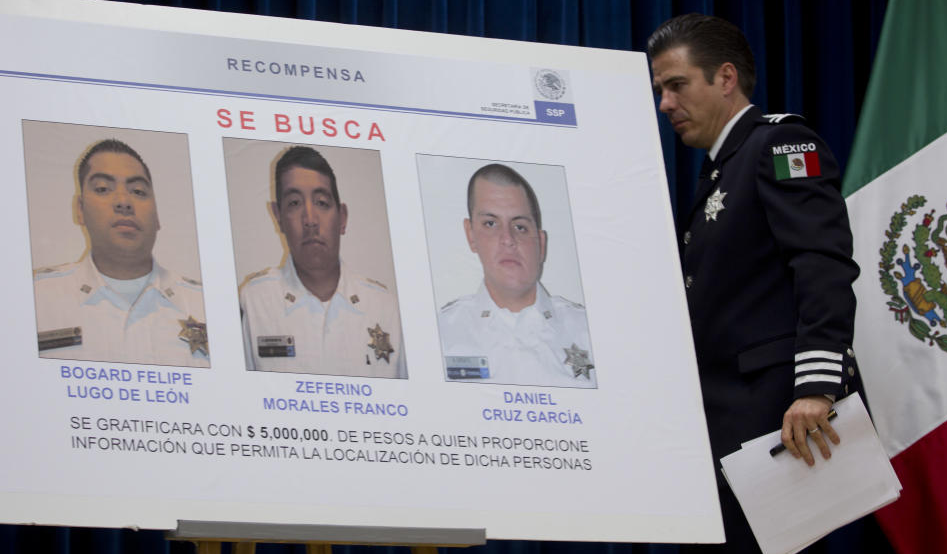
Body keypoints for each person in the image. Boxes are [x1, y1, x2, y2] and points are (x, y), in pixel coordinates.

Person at [647, 13, 863, 554]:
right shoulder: (720, 171)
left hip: (773, 421)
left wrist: (818, 386)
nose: (665, 104)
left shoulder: (781, 143)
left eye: (676, 85)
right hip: (721, 425)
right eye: (660, 91)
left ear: (724, 78)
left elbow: (822, 264)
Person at [33, 139, 209, 367]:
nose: (124, 202)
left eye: (137, 191)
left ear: (157, 216)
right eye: (103, 189)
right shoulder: (33, 299)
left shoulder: (206, 304)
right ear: (80, 210)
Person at [240, 145, 406, 378]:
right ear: (278, 217)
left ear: (342, 218)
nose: (310, 219)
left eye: (321, 202)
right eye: (295, 203)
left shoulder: (385, 308)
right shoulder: (254, 303)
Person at [438, 163, 595, 388]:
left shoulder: (589, 332)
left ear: (541, 243)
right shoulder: (441, 334)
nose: (508, 239)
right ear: (471, 235)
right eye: (491, 224)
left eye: (520, 227)